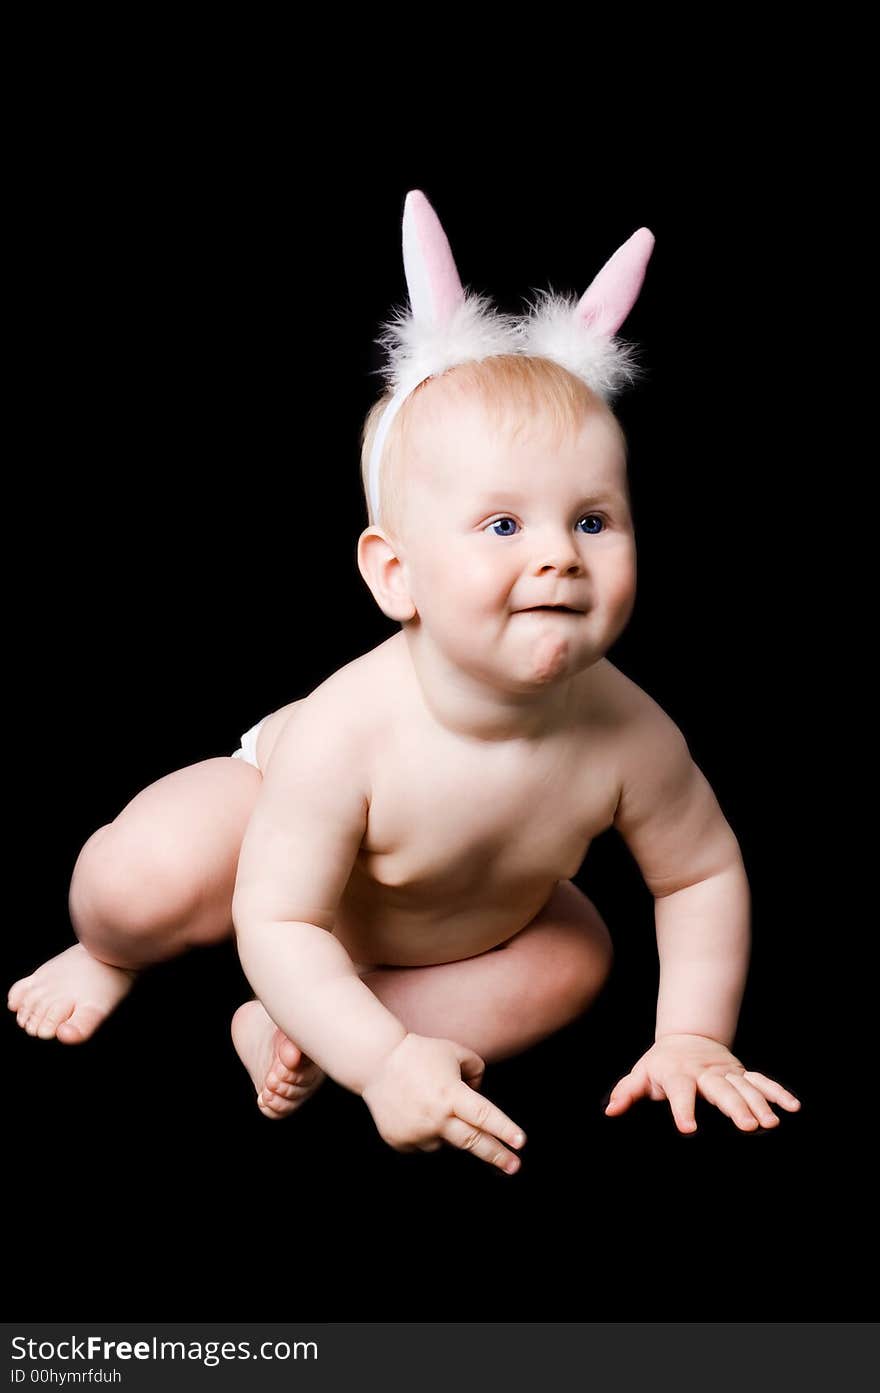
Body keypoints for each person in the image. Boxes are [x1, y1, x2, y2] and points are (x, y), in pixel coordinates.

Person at [8, 190, 800, 1175]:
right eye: (503, 525)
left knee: (575, 959)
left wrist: (692, 1031)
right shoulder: (354, 727)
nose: (558, 555)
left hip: (466, 927)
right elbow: (282, 914)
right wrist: (381, 1069)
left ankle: (290, 1026)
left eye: (592, 519)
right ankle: (115, 955)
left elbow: (699, 873)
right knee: (140, 881)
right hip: (286, 871)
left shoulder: (630, 734)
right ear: (395, 574)